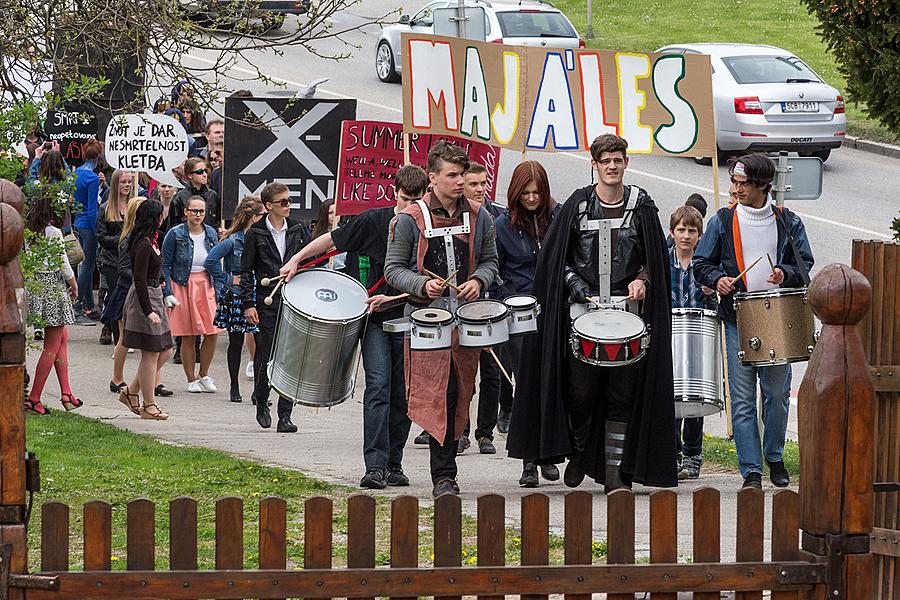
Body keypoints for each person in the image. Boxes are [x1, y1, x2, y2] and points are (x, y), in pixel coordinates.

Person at [507, 133, 676, 493]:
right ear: (595, 165)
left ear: (626, 163)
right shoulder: (577, 205)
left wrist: (644, 279)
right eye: (605, 161)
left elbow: (655, 260)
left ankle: (615, 475)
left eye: (618, 160)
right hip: (582, 314)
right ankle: (581, 453)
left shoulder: (642, 206)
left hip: (628, 318)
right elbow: (558, 260)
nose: (612, 166)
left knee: (622, 394)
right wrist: (573, 283)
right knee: (580, 392)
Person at [280, 165, 428, 489]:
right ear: (394, 193)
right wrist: (296, 260)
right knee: (378, 387)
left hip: (410, 316)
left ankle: (394, 462)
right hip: (375, 319)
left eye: (416, 201)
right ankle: (375, 466)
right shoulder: (373, 221)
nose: (410, 208)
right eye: (405, 200)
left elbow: (431, 280)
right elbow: (331, 240)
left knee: (403, 393)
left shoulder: (428, 227)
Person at [384, 141, 499, 497]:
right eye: (452, 175)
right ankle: (443, 476)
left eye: (463, 174)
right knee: (436, 394)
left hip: (466, 321)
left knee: (461, 392)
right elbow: (393, 270)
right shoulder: (409, 219)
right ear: (432, 178)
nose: (460, 181)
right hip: (426, 321)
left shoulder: (481, 216)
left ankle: (447, 469)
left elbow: (491, 263)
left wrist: (478, 281)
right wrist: (421, 283)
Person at [693, 153, 814, 489]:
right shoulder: (722, 220)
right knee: (743, 398)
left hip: (777, 317)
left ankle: (773, 455)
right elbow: (701, 262)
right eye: (734, 182)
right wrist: (719, 279)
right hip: (738, 317)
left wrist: (784, 273)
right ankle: (751, 470)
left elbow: (804, 264)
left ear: (763, 185)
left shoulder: (787, 221)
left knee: (775, 394)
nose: (736, 188)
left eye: (743, 183)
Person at [494, 160, 561, 487]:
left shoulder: (558, 216)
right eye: (526, 193)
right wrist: (509, 294)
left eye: (537, 193)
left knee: (553, 382)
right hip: (518, 308)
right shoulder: (503, 225)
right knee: (526, 383)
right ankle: (529, 460)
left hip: (553, 306)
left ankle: (549, 452)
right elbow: (495, 267)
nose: (532, 198)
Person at [241, 182, 310, 433]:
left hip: (294, 299)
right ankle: (262, 401)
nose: (288, 206)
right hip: (266, 299)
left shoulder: (299, 229)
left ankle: (285, 415)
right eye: (283, 202)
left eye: (289, 201)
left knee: (291, 357)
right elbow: (246, 270)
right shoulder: (256, 233)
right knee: (268, 354)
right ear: (269, 206)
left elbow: (309, 260)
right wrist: (248, 303)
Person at [456, 161, 503, 456]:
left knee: (492, 372)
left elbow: (497, 262)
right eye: (472, 184)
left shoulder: (496, 216)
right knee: (463, 375)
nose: (478, 189)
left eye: (482, 184)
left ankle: (485, 433)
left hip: (492, 303)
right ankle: (461, 431)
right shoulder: (457, 217)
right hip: (462, 304)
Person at [667, 205, 716, 480]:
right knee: (673, 394)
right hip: (673, 331)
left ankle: (693, 453)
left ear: (700, 235)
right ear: (672, 232)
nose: (686, 236)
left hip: (698, 332)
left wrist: (712, 291)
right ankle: (672, 452)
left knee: (696, 395)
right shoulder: (664, 261)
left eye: (692, 231)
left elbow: (719, 298)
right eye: (681, 230)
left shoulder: (705, 264)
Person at [23, 190, 81, 414]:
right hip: (52, 285)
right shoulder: (54, 231)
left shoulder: (30, 231)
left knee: (61, 338)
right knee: (51, 346)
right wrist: (74, 286)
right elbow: (63, 263)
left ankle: (66, 392)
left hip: (36, 284)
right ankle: (35, 397)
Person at [204, 196, 264, 403]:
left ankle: (259, 390)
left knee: (261, 342)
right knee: (236, 342)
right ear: (254, 218)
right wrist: (229, 279)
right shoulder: (233, 240)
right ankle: (234, 386)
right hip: (237, 295)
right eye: (262, 215)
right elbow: (210, 260)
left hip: (258, 294)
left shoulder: (263, 238)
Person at [119, 199, 174, 420]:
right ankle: (149, 405)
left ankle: (131, 392)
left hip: (155, 294)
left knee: (165, 349)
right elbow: (139, 280)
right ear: (155, 218)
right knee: (151, 352)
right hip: (145, 298)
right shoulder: (142, 244)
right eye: (161, 214)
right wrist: (148, 310)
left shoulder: (153, 240)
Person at [161, 195, 221, 393]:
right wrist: (168, 291)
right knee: (188, 334)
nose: (198, 215)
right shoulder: (175, 234)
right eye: (194, 210)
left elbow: (218, 261)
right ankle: (191, 378)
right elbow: (165, 264)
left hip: (206, 284)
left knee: (212, 332)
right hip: (183, 284)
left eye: (201, 211)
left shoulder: (211, 232)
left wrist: (221, 286)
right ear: (186, 211)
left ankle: (204, 374)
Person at [96, 170, 136, 345]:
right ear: (115, 184)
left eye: (129, 182)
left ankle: (128, 337)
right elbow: (101, 237)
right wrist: (122, 239)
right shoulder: (105, 208)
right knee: (115, 298)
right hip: (111, 261)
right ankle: (119, 340)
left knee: (129, 299)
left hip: (130, 261)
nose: (127, 185)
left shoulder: (135, 206)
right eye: (123, 182)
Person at [72, 138, 104, 324]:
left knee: (85, 266)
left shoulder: (77, 174)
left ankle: (90, 306)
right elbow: (92, 209)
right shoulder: (92, 177)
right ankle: (76, 306)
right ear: (99, 156)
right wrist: (97, 231)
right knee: (87, 267)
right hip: (88, 225)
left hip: (79, 222)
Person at [171, 157, 220, 229]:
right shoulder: (179, 197)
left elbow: (217, 221)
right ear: (189, 175)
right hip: (186, 238)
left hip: (210, 238)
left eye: (205, 171)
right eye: (199, 172)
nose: (204, 174)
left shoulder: (213, 195)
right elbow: (174, 225)